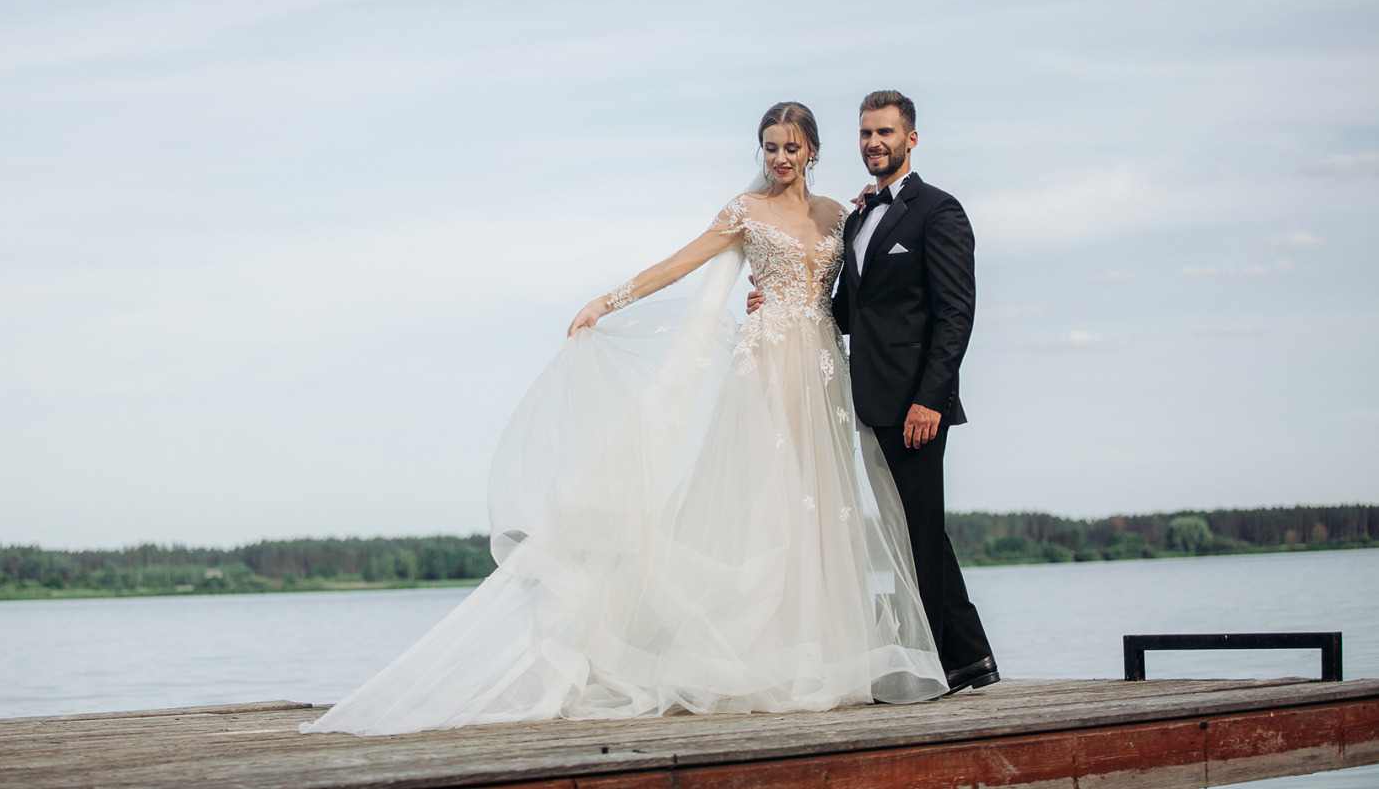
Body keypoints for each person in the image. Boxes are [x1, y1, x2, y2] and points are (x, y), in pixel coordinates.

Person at [304, 102, 946, 737]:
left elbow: (859, 293)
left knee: (823, 508)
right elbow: (678, 264)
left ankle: (826, 657)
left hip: (827, 373)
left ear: (812, 149)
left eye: (791, 147)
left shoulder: (843, 213)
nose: (780, 159)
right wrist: (605, 303)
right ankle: (759, 658)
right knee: (770, 501)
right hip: (769, 367)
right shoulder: (744, 212)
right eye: (770, 148)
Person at [752, 90, 996, 695]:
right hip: (864, 398)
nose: (873, 143)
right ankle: (970, 661)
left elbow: (956, 315)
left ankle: (939, 666)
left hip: (916, 404)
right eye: (865, 134)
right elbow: (842, 311)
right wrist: (774, 303)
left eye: (885, 133)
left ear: (910, 138)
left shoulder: (939, 212)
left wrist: (931, 399)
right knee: (914, 529)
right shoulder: (859, 218)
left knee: (917, 529)